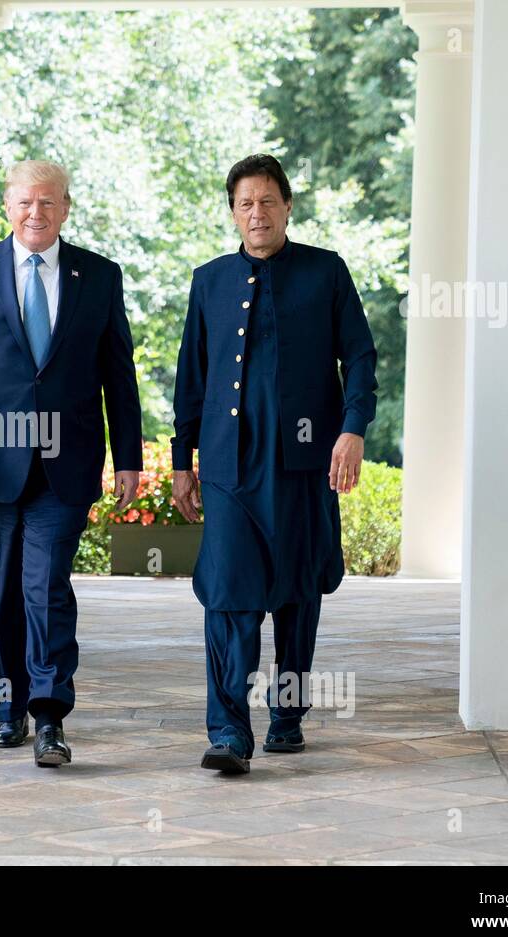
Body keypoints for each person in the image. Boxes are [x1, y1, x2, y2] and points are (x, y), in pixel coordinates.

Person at [0, 160, 142, 767]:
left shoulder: (98, 275)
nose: (35, 214)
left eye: (47, 203)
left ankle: (49, 716)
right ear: (7, 208)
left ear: (66, 207)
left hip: (65, 464)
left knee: (45, 589)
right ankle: (7, 707)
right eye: (23, 203)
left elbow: (119, 375)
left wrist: (129, 458)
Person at [170, 154, 378, 775]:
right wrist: (183, 461)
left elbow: (361, 358)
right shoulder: (208, 282)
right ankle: (229, 732)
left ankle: (287, 714)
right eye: (244, 204)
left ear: (288, 206)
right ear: (232, 213)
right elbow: (191, 379)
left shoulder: (326, 273)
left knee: (295, 590)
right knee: (229, 594)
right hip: (230, 468)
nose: (256, 213)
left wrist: (352, 430)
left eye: (267, 201)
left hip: (300, 464)